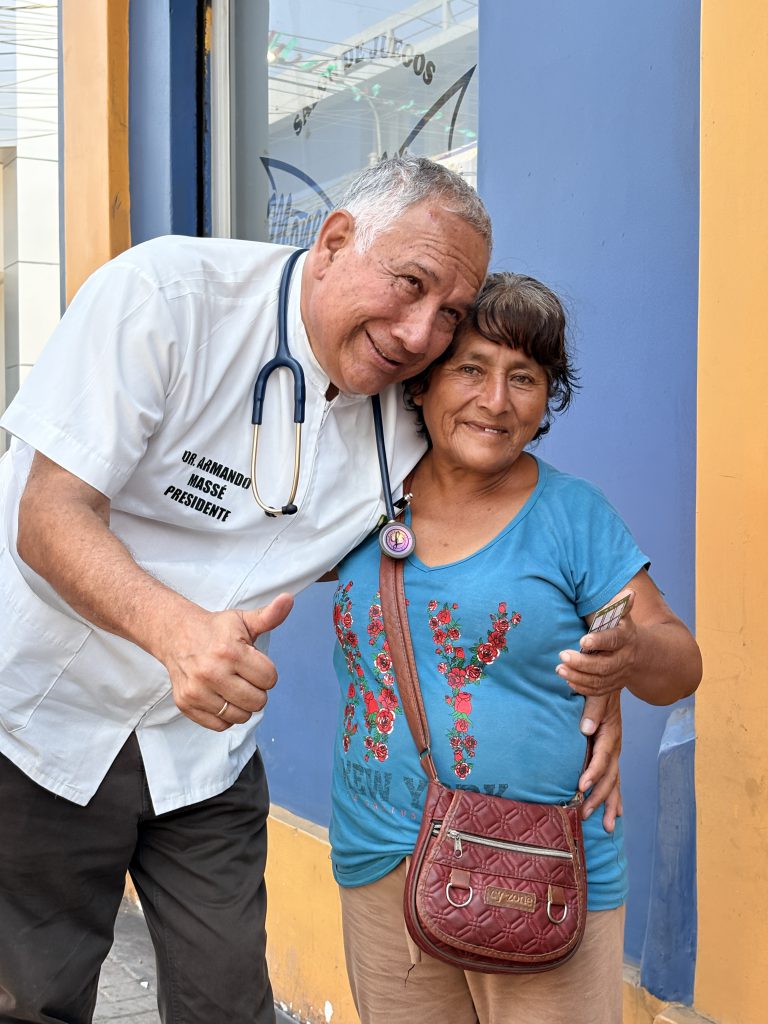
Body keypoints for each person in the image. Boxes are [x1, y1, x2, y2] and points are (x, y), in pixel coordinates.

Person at [0, 156, 494, 1024]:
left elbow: (505, 511)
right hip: (42, 721)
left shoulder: (412, 412)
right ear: (334, 242)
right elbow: (47, 517)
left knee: (229, 1004)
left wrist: (601, 651)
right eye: (410, 284)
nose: (421, 332)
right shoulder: (169, 298)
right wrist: (179, 634)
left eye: (450, 312)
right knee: (34, 1000)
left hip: (202, 751)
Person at [328, 272, 702, 1024]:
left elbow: (680, 663)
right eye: (471, 369)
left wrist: (628, 656)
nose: (496, 401)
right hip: (380, 860)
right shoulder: (359, 500)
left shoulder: (572, 515)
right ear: (423, 382)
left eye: (524, 378)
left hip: (537, 872)